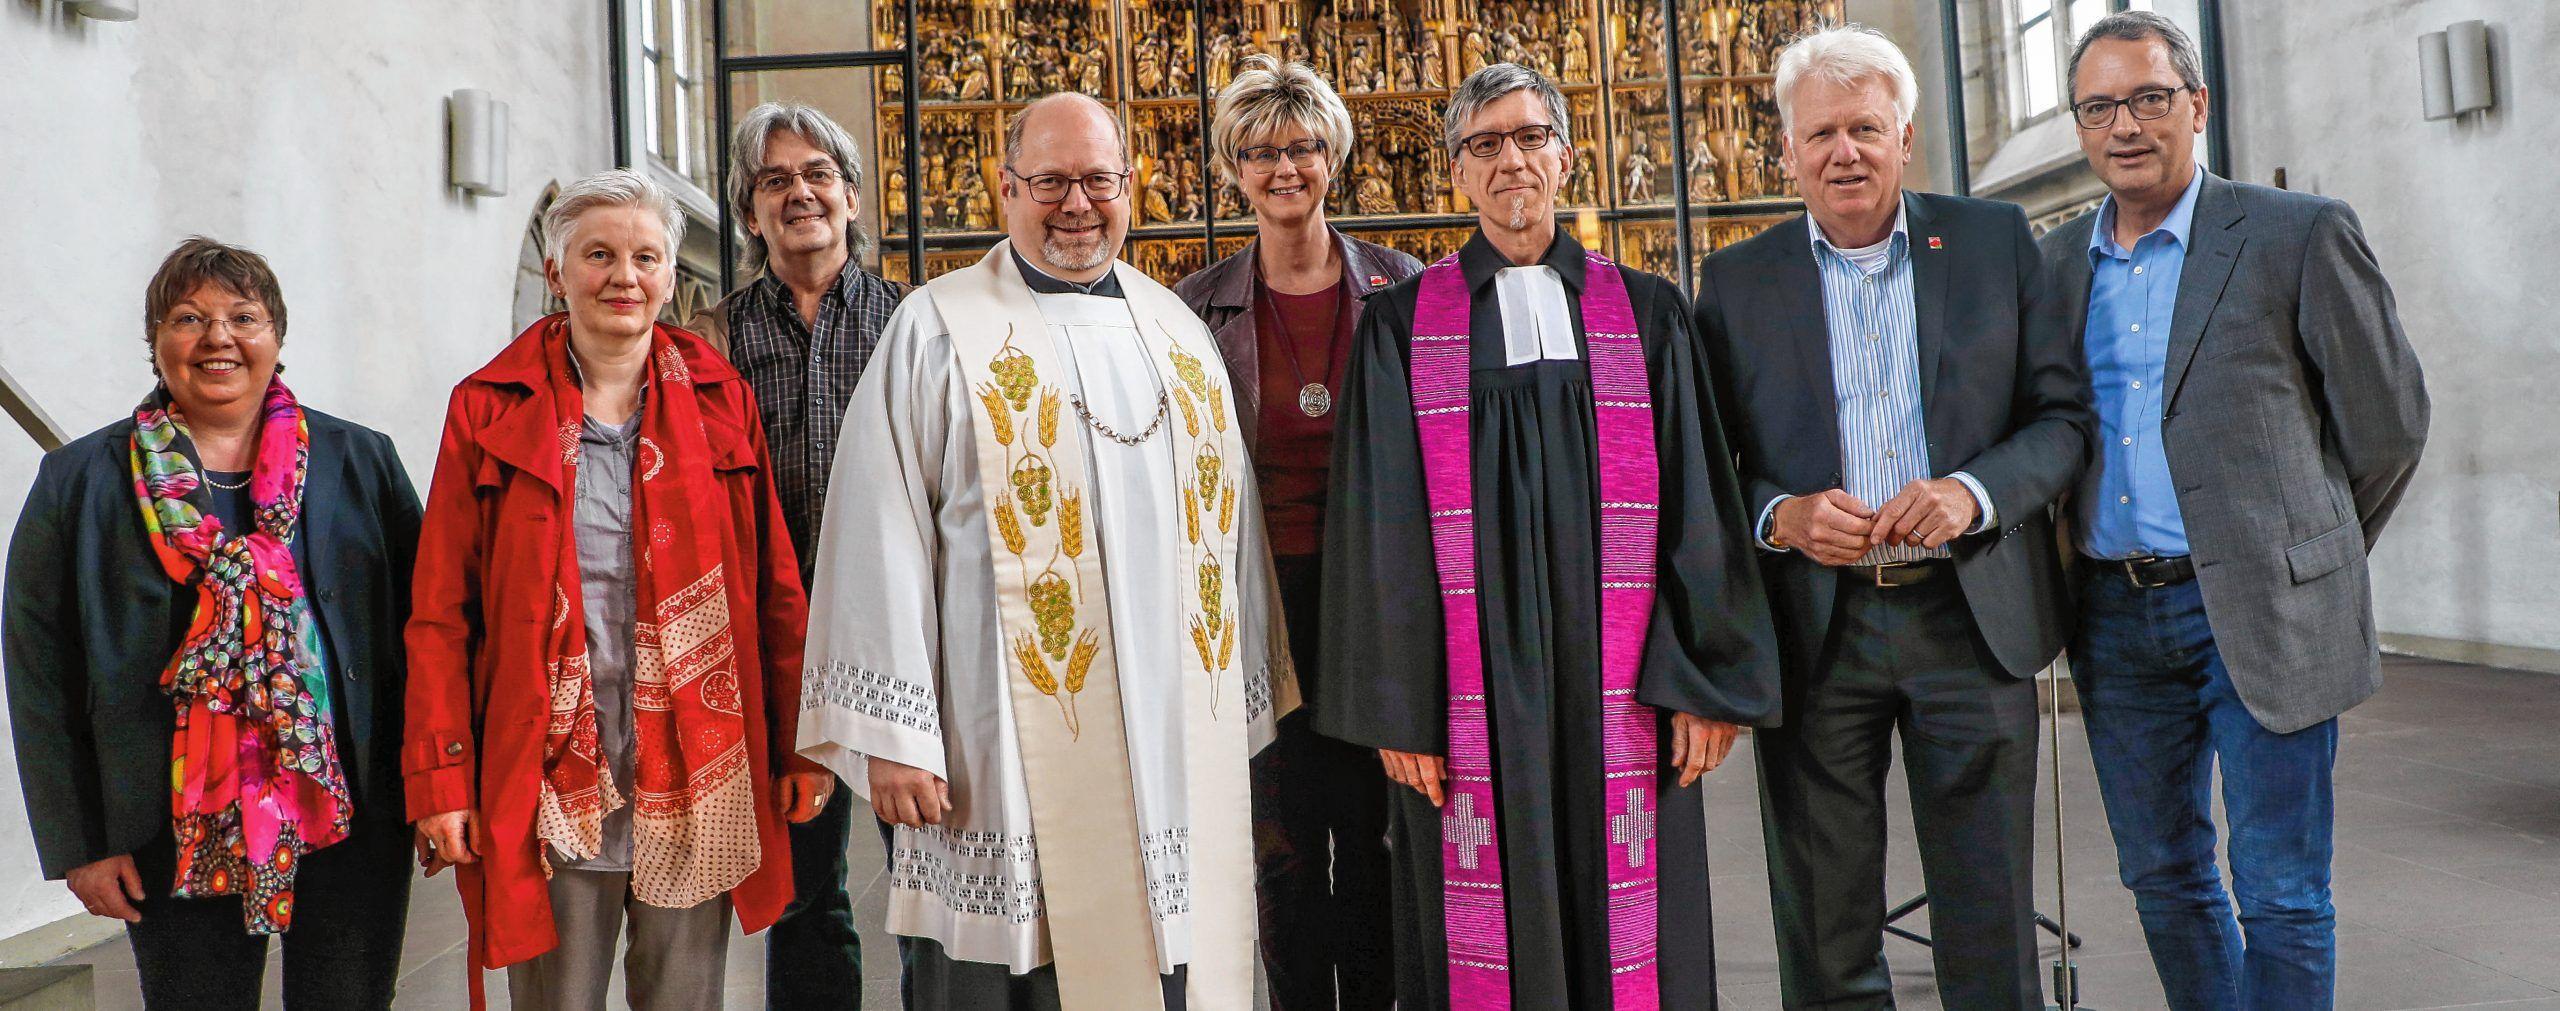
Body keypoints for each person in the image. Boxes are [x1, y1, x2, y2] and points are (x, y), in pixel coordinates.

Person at [796, 92, 1290, 1011]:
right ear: (1006, 187)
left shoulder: (1179, 335)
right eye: (1052, 182)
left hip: (1166, 742)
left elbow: (1231, 538)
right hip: (993, 747)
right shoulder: (935, 327)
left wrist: (1238, 714)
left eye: (1099, 181)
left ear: (1131, 184)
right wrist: (897, 737)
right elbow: (876, 531)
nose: (1077, 205)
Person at [1317, 63, 1780, 1009]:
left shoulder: (1646, 313)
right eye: (1485, 144)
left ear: (1566, 157)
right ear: (1457, 172)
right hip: (1470, 691)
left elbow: (1700, 502)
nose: (1512, 161)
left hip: (1625, 682)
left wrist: (1701, 682)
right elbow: (1380, 525)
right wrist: (1401, 710)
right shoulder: (1401, 327)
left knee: (1630, 923)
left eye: (1531, 137)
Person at [1692, 26, 2091, 1010]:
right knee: (1825, 926)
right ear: (1786, 150)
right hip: (1816, 630)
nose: (1845, 152)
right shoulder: (1737, 283)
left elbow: (2062, 419)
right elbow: (1706, 465)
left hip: (1969, 618)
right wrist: (1780, 516)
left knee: (1989, 919)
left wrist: (1972, 494)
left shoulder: (1993, 243)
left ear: (1904, 137)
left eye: (1865, 128)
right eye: (1820, 132)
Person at [2041, 13, 2429, 1009]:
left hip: (2262, 607)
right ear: (2079, 126)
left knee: (2281, 890)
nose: (2126, 125)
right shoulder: (2051, 267)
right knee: (2161, 877)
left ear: (2197, 105)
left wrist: (2305, 553)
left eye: (2149, 98)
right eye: (2099, 107)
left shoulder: (2295, 234)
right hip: (2114, 617)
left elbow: (2387, 425)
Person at [404, 169, 831, 1010]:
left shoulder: (721, 401)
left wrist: (799, 746)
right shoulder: (488, 408)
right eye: (598, 255)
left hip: (697, 769)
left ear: (671, 277)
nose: (623, 277)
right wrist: (442, 781)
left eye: (645, 257)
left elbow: (777, 594)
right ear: (557, 273)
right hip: (548, 775)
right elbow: (441, 614)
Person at [4, 237, 421, 1007]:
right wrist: (81, 842)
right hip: (167, 825)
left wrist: (437, 785)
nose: (217, 337)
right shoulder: (79, 480)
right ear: (156, 340)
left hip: (350, 814)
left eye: (243, 316)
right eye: (189, 318)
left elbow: (424, 632)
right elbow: (38, 670)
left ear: (276, 335)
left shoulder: (360, 459)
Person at [1170, 54, 1419, 1011]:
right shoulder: (1196, 308)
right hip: (1256, 604)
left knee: (1376, 834)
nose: (1285, 168)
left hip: (1374, 601)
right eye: (1261, 152)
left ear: (1333, 157)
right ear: (1234, 169)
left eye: (1304, 147)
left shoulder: (1400, 288)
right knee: (1277, 843)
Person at [687, 99, 911, 1010]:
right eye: (774, 180)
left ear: (853, 195)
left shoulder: (914, 321)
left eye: (818, 174)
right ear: (750, 211)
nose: (800, 193)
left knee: (930, 871)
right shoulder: (710, 339)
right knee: (804, 891)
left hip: (898, 637)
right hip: (776, 644)